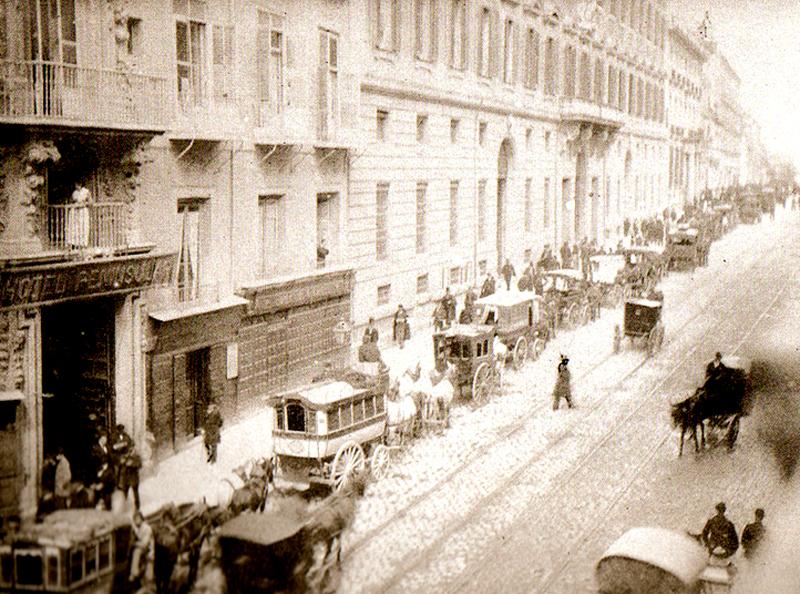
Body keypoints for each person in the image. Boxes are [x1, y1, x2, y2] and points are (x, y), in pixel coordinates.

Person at [113, 424, 142, 511]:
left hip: (133, 477)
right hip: (125, 475)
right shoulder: (115, 437)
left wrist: (131, 463)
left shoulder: (134, 454)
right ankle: (125, 505)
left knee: (134, 491)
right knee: (125, 490)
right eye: (119, 430)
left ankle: (137, 506)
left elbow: (139, 463)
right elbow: (114, 448)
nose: (121, 431)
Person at [129, 511, 155, 587]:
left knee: (136, 551)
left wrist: (134, 544)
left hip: (148, 551)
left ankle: (134, 572)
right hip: (143, 551)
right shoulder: (138, 528)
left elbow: (145, 544)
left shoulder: (147, 528)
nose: (135, 521)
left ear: (141, 519)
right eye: (134, 520)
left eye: (137, 519)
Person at [92, 432, 115, 510]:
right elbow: (94, 461)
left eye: (106, 438)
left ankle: (108, 507)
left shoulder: (107, 447)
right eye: (104, 438)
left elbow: (110, 458)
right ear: (100, 438)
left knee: (107, 492)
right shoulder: (95, 448)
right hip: (99, 472)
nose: (105, 440)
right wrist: (100, 469)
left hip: (107, 471)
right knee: (99, 492)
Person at [69, 181, 91, 248]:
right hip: (75, 211)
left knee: (83, 227)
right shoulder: (75, 192)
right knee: (75, 227)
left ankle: (83, 244)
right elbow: (72, 201)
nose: (76, 186)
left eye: (78, 185)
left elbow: (90, 202)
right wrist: (74, 204)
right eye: (75, 185)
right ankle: (74, 243)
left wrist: (83, 204)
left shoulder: (86, 191)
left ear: (81, 184)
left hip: (83, 211)